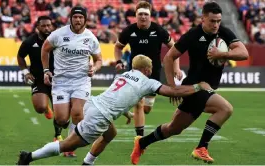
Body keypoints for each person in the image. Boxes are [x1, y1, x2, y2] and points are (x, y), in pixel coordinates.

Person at [16, 54, 213, 165]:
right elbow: (171, 91)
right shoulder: (147, 81)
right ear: (146, 69)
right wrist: (197, 87)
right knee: (68, 145)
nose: (151, 70)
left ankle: (88, 163)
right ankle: (29, 157)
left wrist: (126, 113)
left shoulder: (124, 75)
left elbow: (120, 95)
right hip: (100, 114)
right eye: (150, 67)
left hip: (94, 103)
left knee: (111, 133)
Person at [130, 2, 249, 164]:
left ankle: (142, 142)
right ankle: (201, 148)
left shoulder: (224, 33)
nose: (216, 25)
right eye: (212, 21)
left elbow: (244, 53)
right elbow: (169, 57)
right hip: (194, 88)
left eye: (218, 21)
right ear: (203, 19)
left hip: (207, 89)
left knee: (173, 128)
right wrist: (172, 87)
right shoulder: (193, 35)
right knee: (225, 108)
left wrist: (223, 54)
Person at [114, 1, 183, 137]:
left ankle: (137, 113)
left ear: (150, 16)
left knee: (146, 109)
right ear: (136, 15)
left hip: (154, 72)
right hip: (135, 73)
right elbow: (118, 47)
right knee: (138, 104)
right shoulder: (129, 31)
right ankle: (139, 138)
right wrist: (119, 60)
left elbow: (175, 48)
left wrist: (177, 68)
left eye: (146, 14)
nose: (143, 17)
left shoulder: (158, 30)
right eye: (140, 14)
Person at [41, 6, 102, 157]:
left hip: (81, 81)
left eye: (81, 17)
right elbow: (45, 49)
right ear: (71, 18)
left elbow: (99, 59)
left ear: (85, 20)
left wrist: (94, 68)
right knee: (61, 118)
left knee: (77, 114)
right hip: (61, 81)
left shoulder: (91, 38)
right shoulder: (59, 34)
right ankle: (65, 131)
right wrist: (46, 70)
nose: (78, 20)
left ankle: (70, 147)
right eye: (75, 17)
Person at [17, 16, 64, 141]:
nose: (46, 28)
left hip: (57, 79)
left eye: (49, 25)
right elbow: (20, 56)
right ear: (37, 27)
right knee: (40, 108)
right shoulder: (29, 42)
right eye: (43, 26)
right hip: (39, 79)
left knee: (60, 114)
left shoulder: (59, 40)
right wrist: (26, 72)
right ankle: (45, 107)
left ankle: (57, 135)